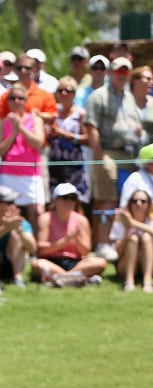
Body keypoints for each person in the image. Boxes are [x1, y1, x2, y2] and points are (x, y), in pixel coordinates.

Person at [85, 57, 141, 261]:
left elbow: (133, 123)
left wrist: (137, 132)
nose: (122, 76)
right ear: (110, 73)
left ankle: (120, 241)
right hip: (106, 152)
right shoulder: (98, 96)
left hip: (128, 154)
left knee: (126, 199)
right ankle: (102, 243)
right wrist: (99, 155)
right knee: (106, 199)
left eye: (126, 72)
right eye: (119, 72)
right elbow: (91, 126)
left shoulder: (129, 97)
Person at [31, 183, 106, 286]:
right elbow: (41, 249)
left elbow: (85, 251)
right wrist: (66, 240)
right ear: (55, 200)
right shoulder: (45, 218)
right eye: (65, 198)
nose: (69, 201)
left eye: (73, 198)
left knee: (100, 262)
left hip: (75, 263)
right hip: (51, 261)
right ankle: (76, 279)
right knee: (37, 264)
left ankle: (61, 279)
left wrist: (76, 239)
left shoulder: (81, 220)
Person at [0, 83, 47, 232]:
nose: (16, 101)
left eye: (20, 98)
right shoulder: (3, 122)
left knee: (36, 211)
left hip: (30, 174)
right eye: (12, 98)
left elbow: (38, 143)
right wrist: (13, 133)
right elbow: (0, 151)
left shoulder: (35, 119)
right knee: (7, 211)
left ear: (26, 100)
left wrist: (21, 128)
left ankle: (37, 248)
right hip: (9, 173)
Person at [48, 76, 88, 197]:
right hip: (55, 162)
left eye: (68, 90)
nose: (64, 93)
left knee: (74, 198)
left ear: (74, 93)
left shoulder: (80, 114)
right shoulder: (52, 112)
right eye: (60, 90)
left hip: (74, 163)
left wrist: (64, 134)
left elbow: (87, 139)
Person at [112, 189, 153, 292]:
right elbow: (118, 253)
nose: (138, 204)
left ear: (148, 205)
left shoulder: (151, 221)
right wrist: (127, 230)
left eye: (143, 201)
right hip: (126, 265)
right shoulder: (120, 221)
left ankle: (147, 281)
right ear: (130, 204)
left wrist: (133, 223)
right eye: (134, 201)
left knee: (146, 237)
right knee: (133, 238)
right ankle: (129, 282)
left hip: (149, 264)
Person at [130, 66, 153, 149]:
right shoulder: (123, 102)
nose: (151, 82)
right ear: (135, 81)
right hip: (127, 152)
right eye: (148, 79)